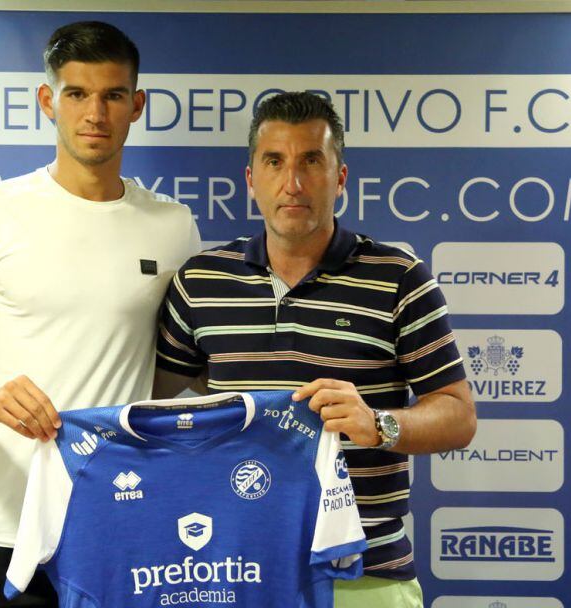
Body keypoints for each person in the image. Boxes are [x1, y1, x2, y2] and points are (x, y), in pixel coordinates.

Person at [0, 21, 199, 607]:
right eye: (77, 94)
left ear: (136, 105)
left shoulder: (174, 227)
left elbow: (178, 380)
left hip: (118, 527)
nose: (96, 113)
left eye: (113, 95)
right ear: (48, 101)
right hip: (0, 527)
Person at [152, 91, 477, 608]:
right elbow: (137, 404)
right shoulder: (201, 281)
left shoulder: (399, 279)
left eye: (312, 161)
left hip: (365, 576)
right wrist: (25, 452)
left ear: (340, 178)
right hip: (228, 569)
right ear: (251, 180)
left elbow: (458, 417)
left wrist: (379, 424)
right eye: (274, 162)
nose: (293, 183)